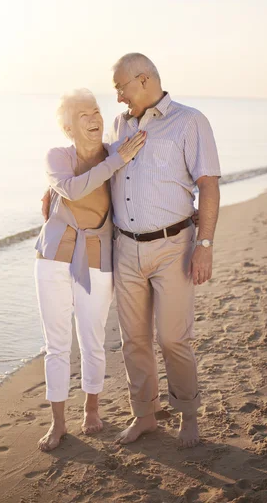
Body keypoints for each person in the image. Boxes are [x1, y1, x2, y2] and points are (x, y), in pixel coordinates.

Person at [42, 53, 220, 448]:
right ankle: (145, 416)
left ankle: (187, 416)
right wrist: (55, 188)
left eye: (121, 87)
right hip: (124, 247)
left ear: (143, 80)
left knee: (174, 338)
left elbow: (208, 184)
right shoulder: (122, 125)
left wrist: (204, 244)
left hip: (173, 246)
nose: (118, 98)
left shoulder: (190, 122)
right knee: (134, 340)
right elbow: (96, 162)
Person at [34, 88, 146, 452]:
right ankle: (58, 422)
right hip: (53, 257)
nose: (93, 117)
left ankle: (92, 409)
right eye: (82, 114)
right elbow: (71, 190)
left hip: (98, 255)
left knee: (92, 339)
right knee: (56, 344)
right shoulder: (58, 156)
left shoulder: (118, 152)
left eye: (95, 110)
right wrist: (115, 163)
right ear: (69, 128)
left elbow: (144, 185)